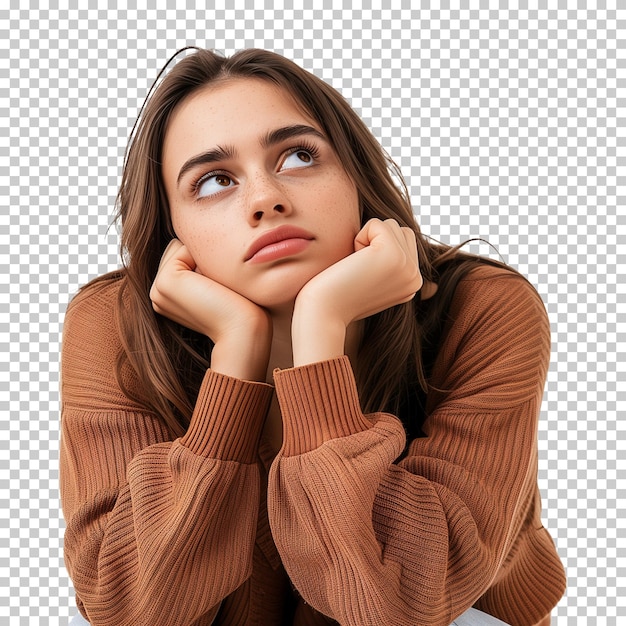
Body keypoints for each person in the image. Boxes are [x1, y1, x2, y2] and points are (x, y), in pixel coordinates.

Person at [59, 48, 566, 626]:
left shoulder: (481, 308)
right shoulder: (114, 325)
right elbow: (127, 606)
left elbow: (399, 604)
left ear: (355, 176)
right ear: (173, 232)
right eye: (213, 181)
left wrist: (320, 328)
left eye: (299, 156)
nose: (265, 199)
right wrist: (236, 353)